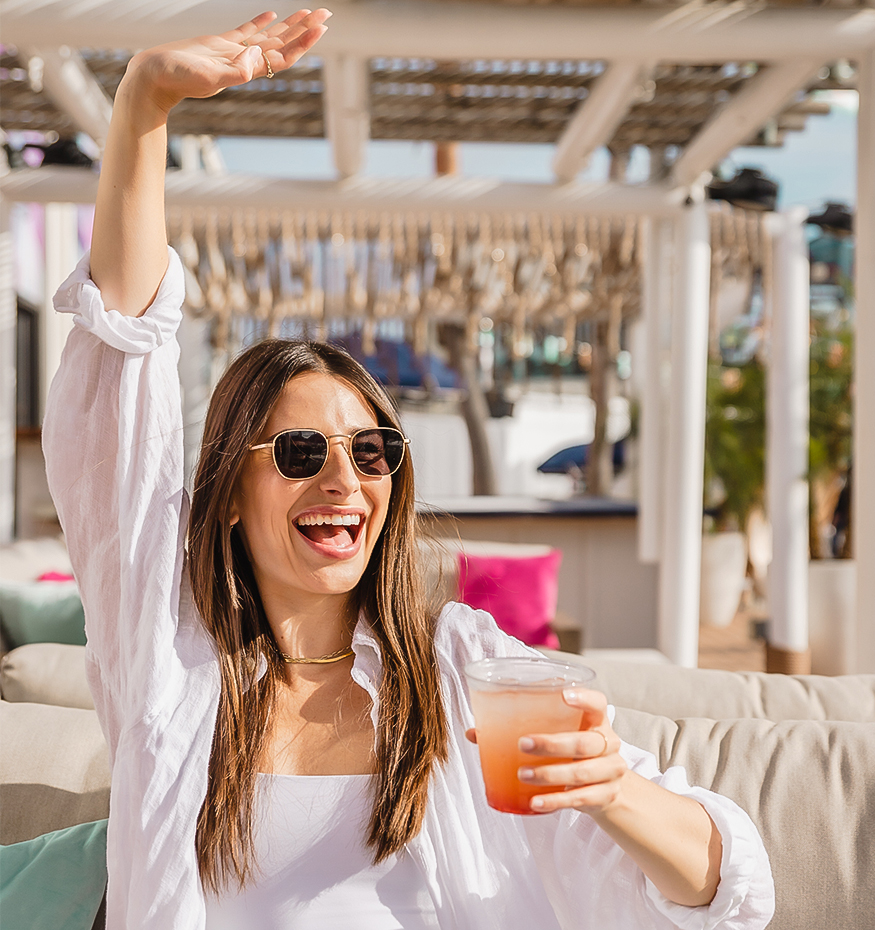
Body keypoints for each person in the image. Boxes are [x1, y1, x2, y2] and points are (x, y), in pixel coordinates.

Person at [43, 10, 775, 929]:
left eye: (372, 449)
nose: (345, 479)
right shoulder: (172, 656)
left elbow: (731, 891)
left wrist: (611, 789)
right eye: (301, 452)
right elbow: (122, 373)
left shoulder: (467, 670)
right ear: (229, 493)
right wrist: (143, 101)